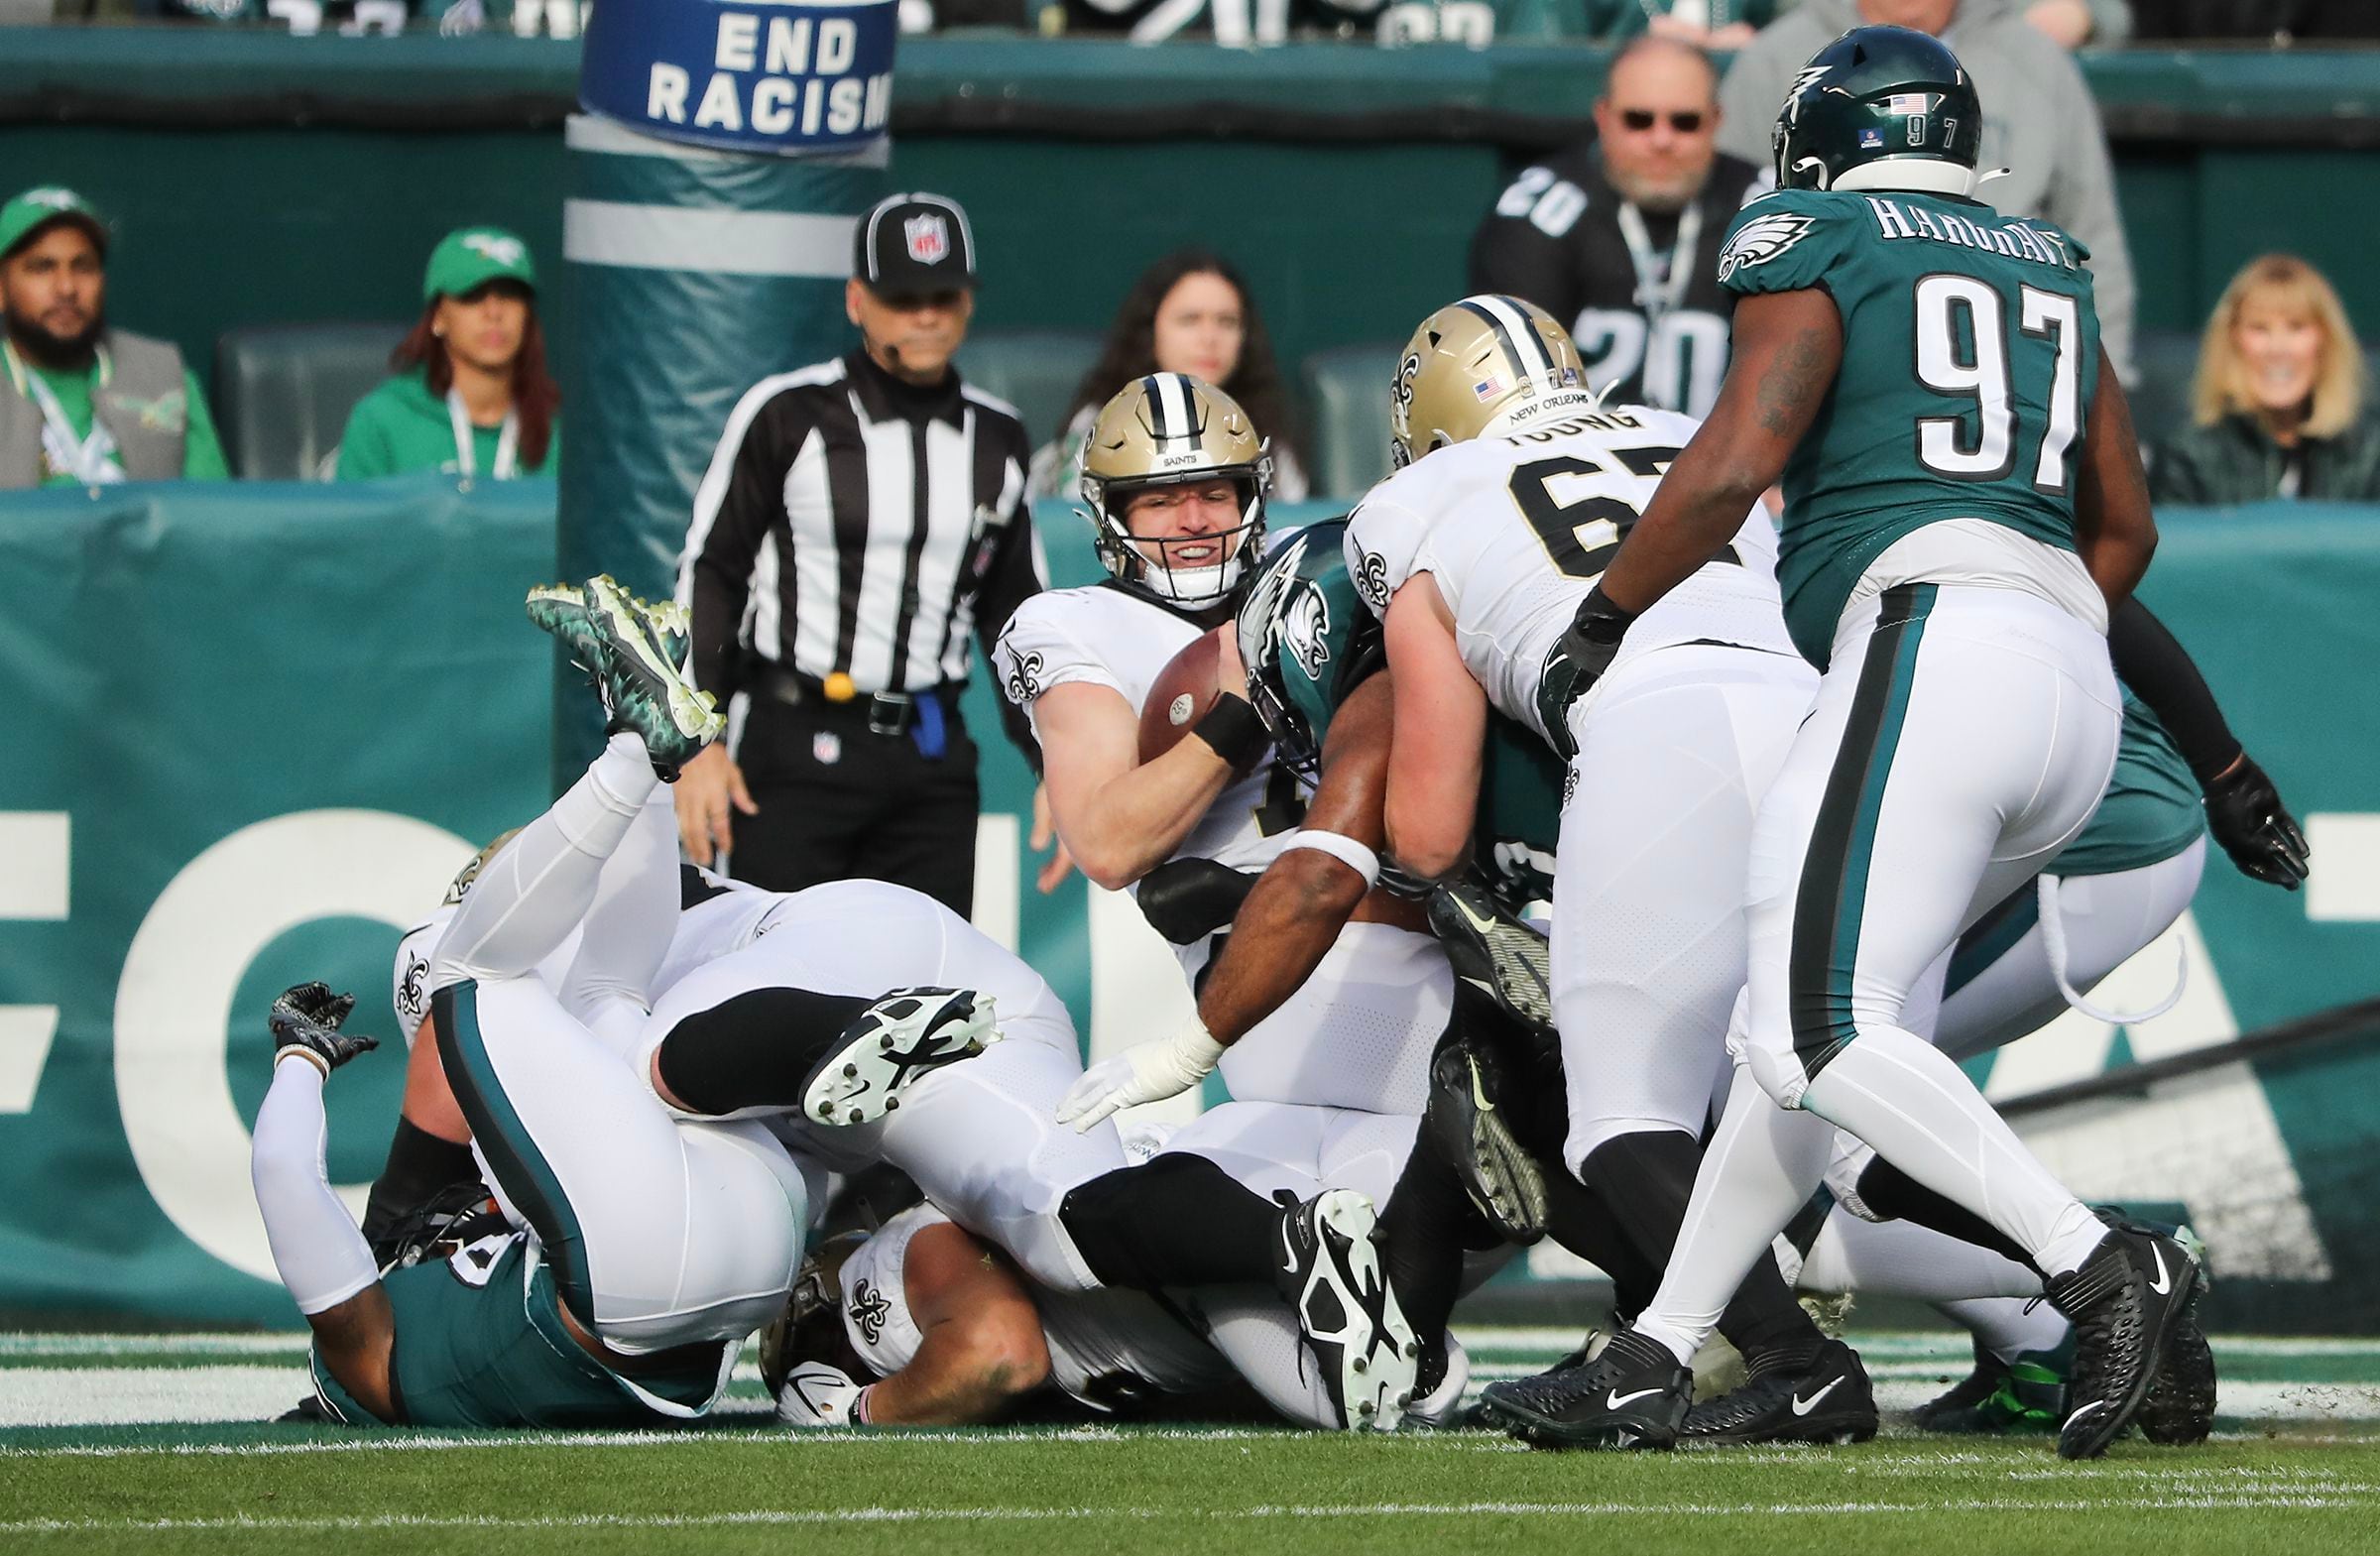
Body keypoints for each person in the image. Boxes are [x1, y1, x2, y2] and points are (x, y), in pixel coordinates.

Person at [1468, 27, 2225, 1462]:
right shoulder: (2046, 259)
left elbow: (1738, 460)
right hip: (2063, 664)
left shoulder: (1811, 228)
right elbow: (2126, 525)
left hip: (1935, 640)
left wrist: (1602, 618)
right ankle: (1655, 1348)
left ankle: (2101, 1261)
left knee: (1817, 1026)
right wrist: (2037, 618)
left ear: (1826, 135)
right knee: (1791, 1038)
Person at [253, 574, 991, 1428]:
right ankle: (634, 752)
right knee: (464, 966)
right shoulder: (364, 1354)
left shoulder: (441, 1330)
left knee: (612, 994)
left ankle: (648, 746)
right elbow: (282, 1174)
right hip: (642, 1275)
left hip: (726, 1280)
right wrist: (298, 1056)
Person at [675, 191, 1043, 916]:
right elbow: (713, 571)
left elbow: (1017, 615)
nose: (927, 314)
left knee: (923, 997)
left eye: (943, 294)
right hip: (794, 742)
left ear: (967, 304)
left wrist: (1052, 761)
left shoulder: (999, 437)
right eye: (903, 297)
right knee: (774, 982)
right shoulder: (789, 415)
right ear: (856, 300)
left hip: (931, 757)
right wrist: (698, 740)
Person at [1715, 0, 2138, 384]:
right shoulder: (1779, 57)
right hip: (1830, 373)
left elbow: (2095, 245)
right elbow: (1734, 229)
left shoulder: (2034, 59)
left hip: (2009, 379)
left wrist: (2093, 392)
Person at [1470, 38, 1768, 419]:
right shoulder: (1537, 215)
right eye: (1639, 120)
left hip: (1738, 475)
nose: (1662, 140)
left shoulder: (1766, 214)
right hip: (1578, 468)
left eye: (1685, 122)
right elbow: (1508, 400)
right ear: (1604, 117)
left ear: (1716, 121)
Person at [1026, 251, 1308, 502]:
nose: (1209, 338)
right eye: (1189, 320)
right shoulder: (1104, 426)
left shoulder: (1267, 437)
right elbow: (1074, 536)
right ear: (1150, 332)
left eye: (1227, 322)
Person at [0, 185, 227, 489]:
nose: (66, 287)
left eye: (83, 267)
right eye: (43, 268)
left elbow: (211, 518)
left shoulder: (166, 375)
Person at [333, 226, 561, 481]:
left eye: (510, 295)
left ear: (527, 316)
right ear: (438, 317)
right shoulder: (381, 421)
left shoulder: (565, 430)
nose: (494, 312)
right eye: (472, 295)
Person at [2150, 254, 2380, 505]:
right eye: (2259, 328)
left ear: (2325, 341)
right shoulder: (2187, 458)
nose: (2278, 348)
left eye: (2296, 327)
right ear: (2233, 340)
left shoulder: (2371, 454)